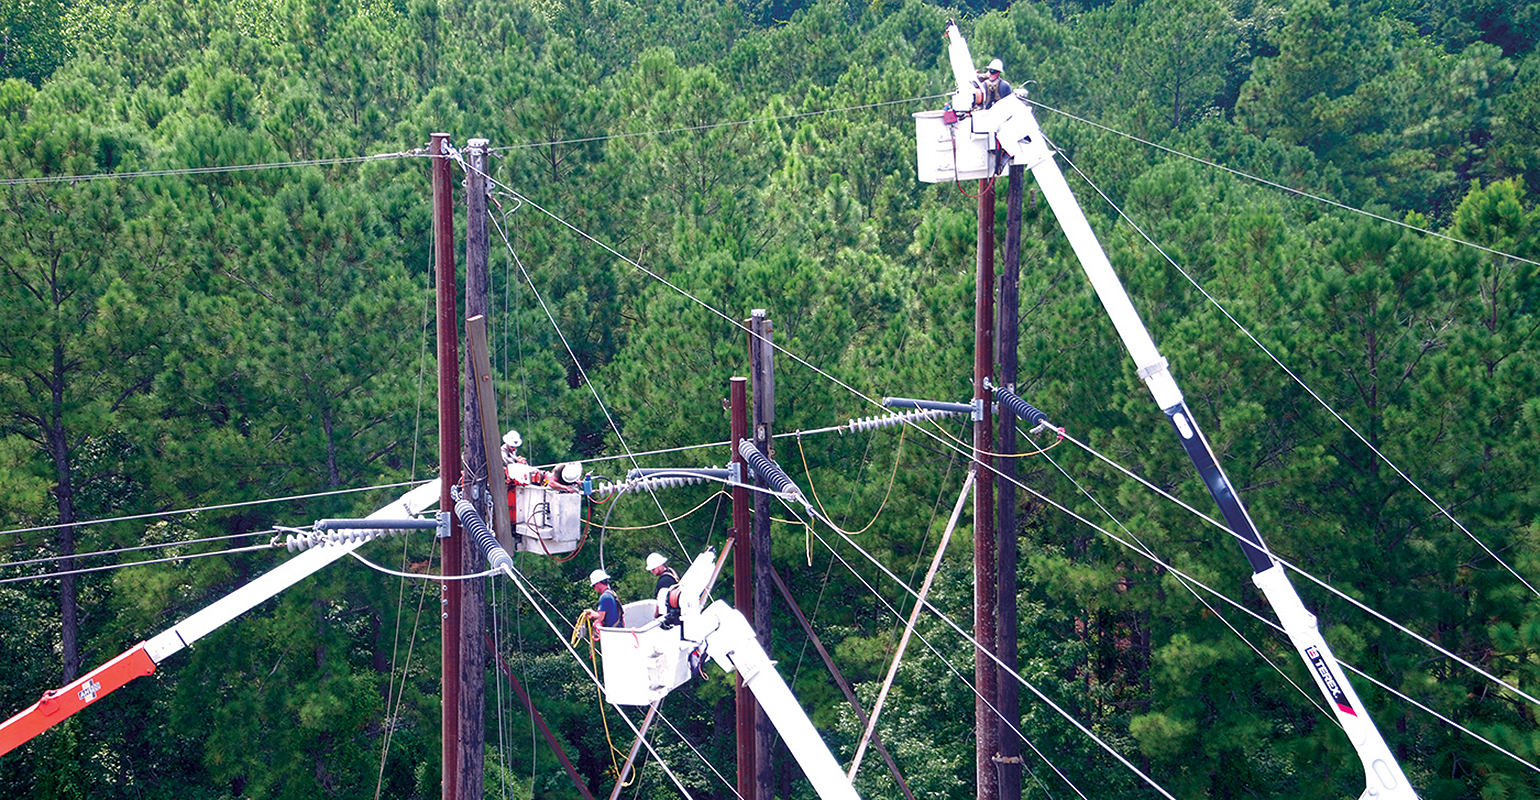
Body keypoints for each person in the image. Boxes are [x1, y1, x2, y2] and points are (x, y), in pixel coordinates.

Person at [583, 568, 621, 638]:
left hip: (613, 633)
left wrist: (593, 615)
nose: (594, 588)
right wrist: (593, 614)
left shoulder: (604, 597)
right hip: (618, 630)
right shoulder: (611, 593)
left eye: (594, 586)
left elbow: (601, 617)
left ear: (599, 583)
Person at [646, 552, 681, 624]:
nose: (652, 571)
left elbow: (661, 603)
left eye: (653, 569)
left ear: (660, 565)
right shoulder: (672, 572)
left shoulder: (663, 581)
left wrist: (656, 615)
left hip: (671, 617)